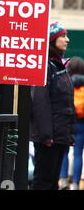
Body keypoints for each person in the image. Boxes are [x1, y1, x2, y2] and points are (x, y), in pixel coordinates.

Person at [30, 21, 74, 190]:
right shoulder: (45, 66)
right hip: (49, 137)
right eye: (62, 36)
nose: (67, 40)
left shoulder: (58, 65)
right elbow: (40, 102)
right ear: (51, 39)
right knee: (43, 181)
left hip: (59, 135)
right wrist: (47, 136)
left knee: (52, 182)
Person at [59, 56, 84, 190]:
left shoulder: (65, 81)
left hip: (67, 120)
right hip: (81, 122)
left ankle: (63, 180)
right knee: (78, 153)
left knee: (64, 150)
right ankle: (75, 183)